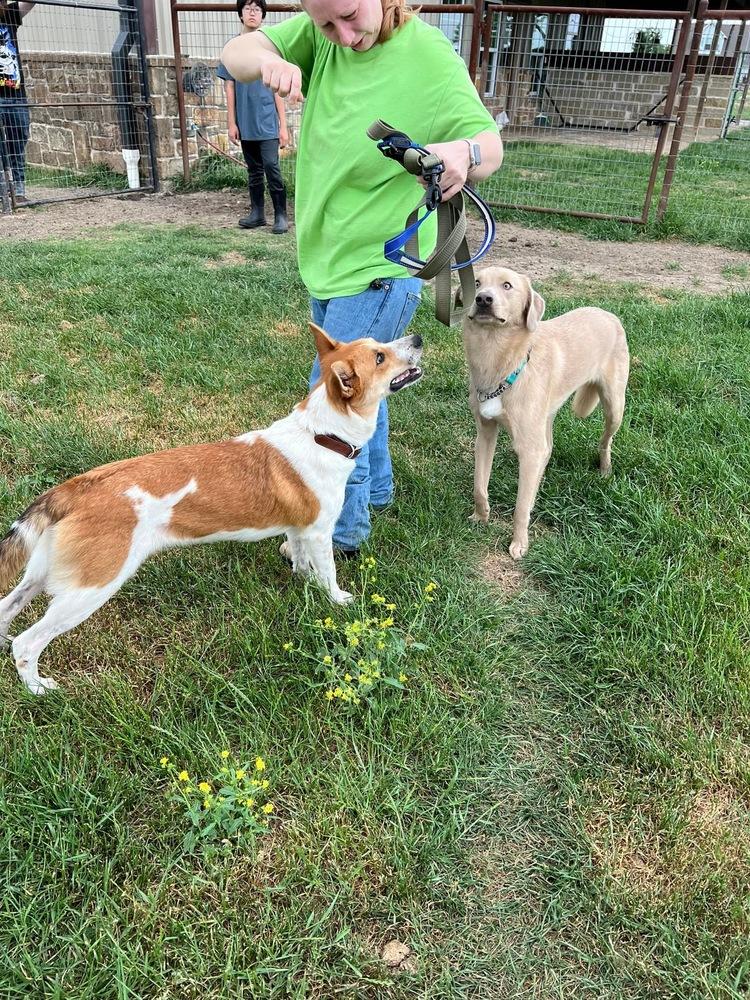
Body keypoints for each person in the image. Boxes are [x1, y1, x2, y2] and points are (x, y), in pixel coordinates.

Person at [222, 0, 502, 556]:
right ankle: (374, 491)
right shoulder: (318, 34)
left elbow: (489, 145)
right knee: (364, 390)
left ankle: (342, 534)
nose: (343, 36)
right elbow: (235, 53)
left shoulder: (427, 54)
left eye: (351, 16)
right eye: (326, 23)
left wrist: (462, 153)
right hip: (327, 260)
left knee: (331, 400)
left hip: (378, 268)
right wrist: (265, 60)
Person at [217, 0, 289, 234]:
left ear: (263, 15)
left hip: (267, 121)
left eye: (257, 9)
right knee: (253, 170)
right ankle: (257, 213)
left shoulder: (269, 48)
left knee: (271, 166)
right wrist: (231, 123)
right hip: (245, 122)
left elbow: (278, 88)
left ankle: (281, 215)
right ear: (240, 14)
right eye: (247, 8)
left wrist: (283, 126)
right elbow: (229, 88)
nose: (252, 13)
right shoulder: (233, 49)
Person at [0, 0, 34, 206]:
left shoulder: (8, 15)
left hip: (15, 94)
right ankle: (3, 193)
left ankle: (18, 191)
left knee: (18, 141)